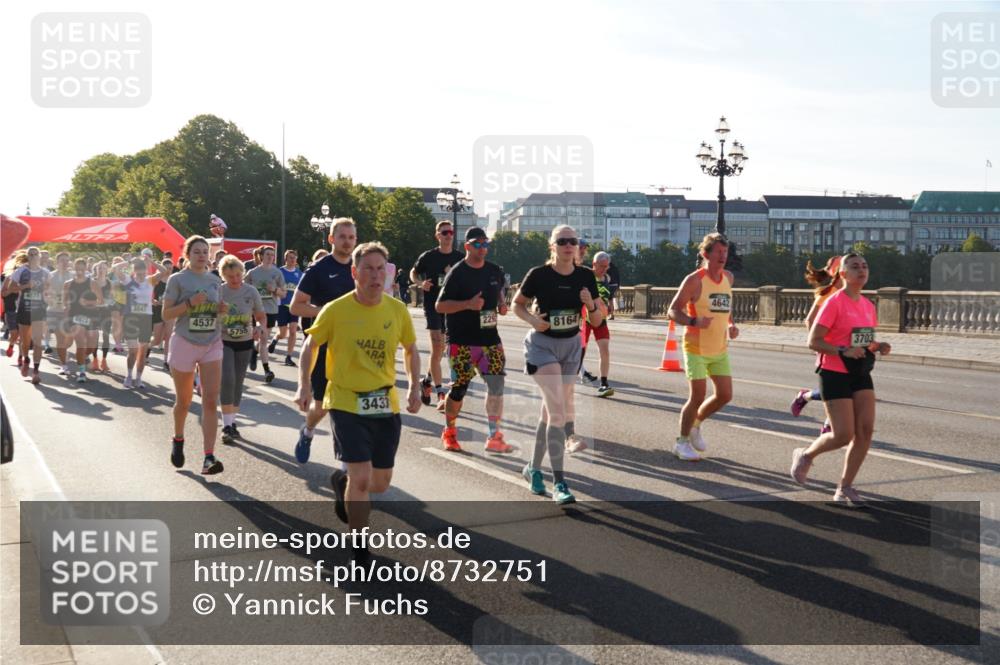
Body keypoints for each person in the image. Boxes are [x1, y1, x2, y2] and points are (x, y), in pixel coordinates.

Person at [295, 242, 420, 558]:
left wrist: (415, 387)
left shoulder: (397, 309)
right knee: (362, 480)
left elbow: (410, 349)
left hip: (385, 403)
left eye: (380, 269)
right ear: (354, 272)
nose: (375, 276)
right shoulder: (335, 310)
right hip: (346, 401)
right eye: (368, 269)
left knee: (380, 483)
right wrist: (304, 385)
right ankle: (360, 546)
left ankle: (342, 481)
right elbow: (311, 345)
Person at [790, 253, 891, 507]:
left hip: (860, 372)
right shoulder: (834, 303)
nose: (861, 270)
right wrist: (843, 351)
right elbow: (814, 341)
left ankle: (845, 487)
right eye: (855, 266)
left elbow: (862, 340)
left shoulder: (868, 306)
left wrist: (878, 346)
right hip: (833, 371)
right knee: (843, 435)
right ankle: (806, 455)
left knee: (865, 431)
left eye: (865, 266)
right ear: (843, 274)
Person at [513, 225, 602, 505]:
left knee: (550, 412)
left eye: (572, 241)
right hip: (542, 346)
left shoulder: (585, 276)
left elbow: (597, 320)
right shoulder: (539, 274)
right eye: (562, 241)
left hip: (571, 347)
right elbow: (517, 304)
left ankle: (533, 468)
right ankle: (560, 483)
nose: (568, 245)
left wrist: (590, 305)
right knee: (558, 411)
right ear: (552, 246)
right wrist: (532, 320)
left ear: (577, 246)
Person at [435, 227, 514, 454]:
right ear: (467, 246)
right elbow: (440, 306)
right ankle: (450, 432)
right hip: (462, 341)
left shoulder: (494, 270)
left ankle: (494, 436)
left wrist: (502, 303)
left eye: (485, 243)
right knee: (459, 389)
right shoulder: (457, 273)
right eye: (477, 244)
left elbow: (498, 289)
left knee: (496, 387)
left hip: (490, 340)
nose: (482, 248)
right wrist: (468, 305)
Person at [290, 218, 358, 463]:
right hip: (323, 346)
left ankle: (346, 466)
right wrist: (326, 312)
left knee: (348, 408)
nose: (347, 242)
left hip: (353, 348)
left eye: (351, 237)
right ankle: (308, 431)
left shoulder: (360, 268)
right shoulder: (318, 269)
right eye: (342, 237)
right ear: (331, 239)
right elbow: (296, 307)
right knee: (321, 407)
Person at [667, 233, 740, 462]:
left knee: (725, 395)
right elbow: (672, 310)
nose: (723, 256)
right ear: (705, 254)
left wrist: (731, 324)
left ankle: (695, 425)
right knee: (697, 396)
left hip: (719, 348)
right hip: (696, 347)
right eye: (718, 252)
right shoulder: (694, 280)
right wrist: (693, 321)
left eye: (725, 252)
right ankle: (681, 443)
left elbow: (725, 305)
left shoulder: (728, 277)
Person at [161, 235, 227, 475]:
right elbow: (166, 314)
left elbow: (217, 313)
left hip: (211, 342)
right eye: (197, 251)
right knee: (184, 401)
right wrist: (190, 303)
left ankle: (209, 457)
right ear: (187, 255)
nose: (202, 255)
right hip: (185, 342)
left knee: (210, 400)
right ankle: (178, 439)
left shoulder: (215, 280)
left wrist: (221, 311)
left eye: (205, 252)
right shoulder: (177, 279)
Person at [410, 220, 465, 411]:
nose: (448, 235)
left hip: (452, 308)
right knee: (437, 347)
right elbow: (413, 273)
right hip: (433, 306)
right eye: (444, 232)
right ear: (437, 236)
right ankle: (441, 393)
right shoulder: (429, 256)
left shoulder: (460, 258)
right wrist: (420, 283)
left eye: (451, 232)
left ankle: (426, 381)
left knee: (443, 350)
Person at [790, 255, 844, 433]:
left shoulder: (852, 295)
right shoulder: (829, 294)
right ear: (840, 273)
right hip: (830, 348)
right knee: (837, 391)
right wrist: (818, 343)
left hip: (847, 349)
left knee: (844, 390)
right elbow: (809, 320)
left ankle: (827, 424)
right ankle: (808, 400)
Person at [218, 255, 266, 444]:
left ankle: (232, 422)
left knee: (238, 382)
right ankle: (226, 425)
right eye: (230, 276)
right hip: (224, 340)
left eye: (238, 275)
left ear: (242, 273)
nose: (235, 279)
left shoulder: (251, 291)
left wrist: (260, 327)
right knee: (227, 378)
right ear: (223, 276)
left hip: (245, 341)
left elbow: (261, 316)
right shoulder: (219, 291)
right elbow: (210, 313)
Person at [3, 247, 51, 383]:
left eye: (36, 254)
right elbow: (11, 288)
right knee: (25, 341)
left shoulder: (45, 272)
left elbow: (49, 290)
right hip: (24, 309)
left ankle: (36, 371)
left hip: (39, 310)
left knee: (37, 341)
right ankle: (26, 360)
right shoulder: (21, 271)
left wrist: (47, 294)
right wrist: (25, 286)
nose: (33, 256)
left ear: (39, 256)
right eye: (31, 254)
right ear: (28, 256)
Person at [122, 257, 168, 389]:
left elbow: (164, 271)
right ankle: (128, 376)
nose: (141, 276)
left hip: (146, 318)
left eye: (143, 273)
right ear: (134, 272)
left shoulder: (150, 280)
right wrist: (129, 261)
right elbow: (115, 269)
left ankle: (138, 378)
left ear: (146, 271)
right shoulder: (128, 281)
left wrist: (151, 261)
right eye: (138, 274)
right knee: (132, 350)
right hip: (131, 318)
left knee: (142, 351)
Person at [246, 246, 286, 383]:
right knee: (260, 339)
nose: (270, 257)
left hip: (271, 310)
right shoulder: (252, 273)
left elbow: (284, 293)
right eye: (268, 254)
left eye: (272, 255)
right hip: (255, 311)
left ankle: (255, 353)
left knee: (263, 340)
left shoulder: (277, 273)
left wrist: (274, 289)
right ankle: (266, 369)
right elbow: (242, 289)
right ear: (261, 256)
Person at [579, 251, 614, 399]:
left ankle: (604, 383)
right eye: (602, 266)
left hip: (601, 319)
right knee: (581, 350)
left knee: (604, 350)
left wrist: (610, 307)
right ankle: (572, 376)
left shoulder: (607, 278)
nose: (605, 269)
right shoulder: (586, 277)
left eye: (607, 266)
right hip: (586, 319)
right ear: (594, 264)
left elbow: (608, 295)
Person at [65, 258, 102, 383]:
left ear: (86, 269)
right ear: (74, 268)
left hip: (91, 316)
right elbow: (65, 302)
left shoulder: (92, 283)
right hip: (75, 316)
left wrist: (88, 303)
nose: (79, 271)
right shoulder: (68, 284)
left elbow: (101, 301)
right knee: (80, 344)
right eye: (77, 268)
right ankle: (82, 372)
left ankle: (84, 356)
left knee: (91, 347)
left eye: (82, 268)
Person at [273, 249, 303, 366]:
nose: (292, 260)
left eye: (294, 258)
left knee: (293, 331)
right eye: (290, 257)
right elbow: (274, 286)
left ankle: (288, 357)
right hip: (281, 305)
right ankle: (275, 339)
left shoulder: (299, 273)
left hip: (294, 306)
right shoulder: (279, 272)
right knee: (283, 333)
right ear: (286, 259)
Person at [150, 258, 175, 370]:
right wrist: (153, 301)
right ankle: (147, 348)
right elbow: (149, 294)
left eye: (171, 268)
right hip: (157, 309)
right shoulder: (157, 279)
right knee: (157, 340)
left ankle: (166, 361)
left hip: (170, 310)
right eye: (167, 268)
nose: (169, 271)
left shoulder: (174, 280)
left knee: (168, 337)